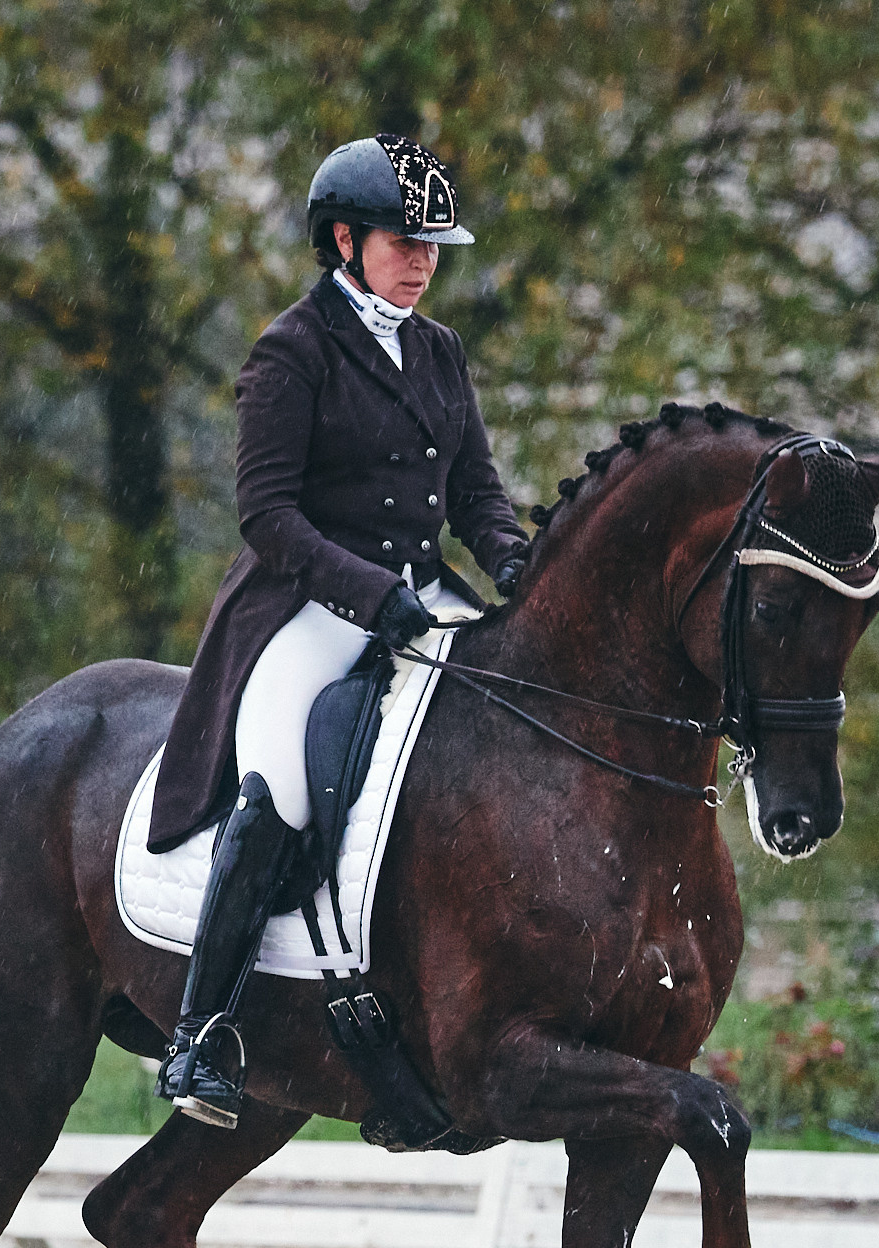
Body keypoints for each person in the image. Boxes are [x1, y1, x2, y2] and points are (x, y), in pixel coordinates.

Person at [147, 133, 533, 1129]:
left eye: (433, 245)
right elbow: (267, 518)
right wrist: (373, 594)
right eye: (404, 241)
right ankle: (203, 1035)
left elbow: (477, 494)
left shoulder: (439, 350)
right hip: (307, 608)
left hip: (420, 598)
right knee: (279, 786)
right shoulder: (293, 351)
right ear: (343, 240)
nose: (422, 260)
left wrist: (519, 566)